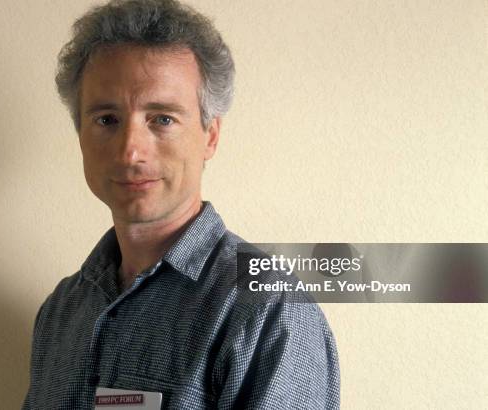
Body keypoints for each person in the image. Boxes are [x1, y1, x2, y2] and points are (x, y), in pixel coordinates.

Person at [22, 0, 340, 408]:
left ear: (210, 136)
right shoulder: (61, 311)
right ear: (80, 134)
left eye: (162, 119)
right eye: (106, 119)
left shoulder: (267, 309)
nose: (130, 152)